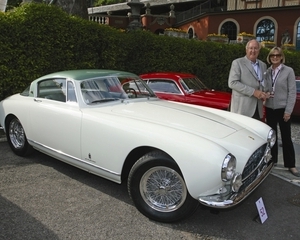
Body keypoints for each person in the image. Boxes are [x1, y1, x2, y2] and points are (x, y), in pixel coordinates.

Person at [264, 47, 299, 177]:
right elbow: (266, 88)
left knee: (286, 137)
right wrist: (266, 93)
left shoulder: (288, 71)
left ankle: (291, 164)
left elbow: (292, 92)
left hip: (283, 109)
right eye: (272, 55)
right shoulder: (267, 72)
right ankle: (273, 161)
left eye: (277, 55)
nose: (275, 57)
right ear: (269, 57)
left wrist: (288, 111)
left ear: (281, 57)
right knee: (272, 137)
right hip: (270, 108)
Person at [228, 39, 267, 120]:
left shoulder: (263, 65)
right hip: (242, 110)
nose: (253, 51)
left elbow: (262, 83)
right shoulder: (237, 63)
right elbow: (232, 83)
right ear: (246, 50)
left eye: (256, 48)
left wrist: (265, 93)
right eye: (251, 48)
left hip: (257, 109)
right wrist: (254, 92)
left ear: (259, 51)